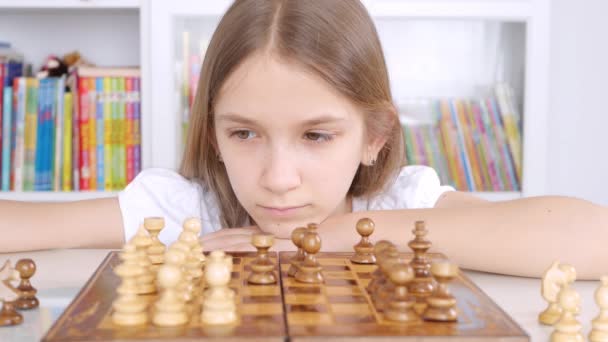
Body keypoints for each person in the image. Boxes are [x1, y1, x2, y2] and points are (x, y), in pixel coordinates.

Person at [1, 0, 606, 279]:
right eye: (244, 133)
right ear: (212, 134)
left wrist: (332, 235)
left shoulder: (396, 204)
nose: (278, 177)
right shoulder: (186, 213)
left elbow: (594, 238)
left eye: (316, 135)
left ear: (374, 136)